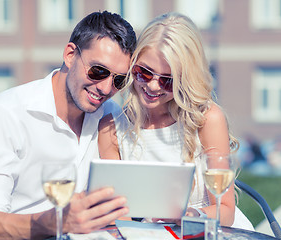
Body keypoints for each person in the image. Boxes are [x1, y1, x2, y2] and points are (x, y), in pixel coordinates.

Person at [0, 11, 136, 239]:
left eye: (118, 80)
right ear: (70, 55)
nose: (106, 88)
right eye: (98, 71)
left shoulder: (112, 116)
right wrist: (57, 222)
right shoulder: (6, 114)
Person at [98, 12, 253, 230]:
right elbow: (117, 216)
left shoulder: (207, 119)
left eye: (168, 81)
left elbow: (225, 211)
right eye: (144, 72)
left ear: (185, 79)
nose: (152, 86)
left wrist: (189, 215)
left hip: (208, 231)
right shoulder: (111, 129)